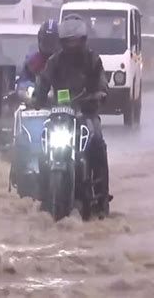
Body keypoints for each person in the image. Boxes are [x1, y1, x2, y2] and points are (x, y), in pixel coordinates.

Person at [34, 14, 112, 217]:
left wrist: (100, 93)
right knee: (42, 146)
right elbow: (43, 81)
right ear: (62, 42)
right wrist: (37, 97)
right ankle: (42, 194)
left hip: (86, 113)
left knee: (97, 142)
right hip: (61, 115)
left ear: (83, 40)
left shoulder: (92, 59)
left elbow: (102, 81)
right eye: (69, 41)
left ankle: (101, 198)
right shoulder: (55, 61)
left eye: (76, 40)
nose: (73, 44)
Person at [18, 19, 60, 83]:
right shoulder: (32, 62)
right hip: (38, 92)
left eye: (52, 41)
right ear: (40, 39)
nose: (49, 45)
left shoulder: (64, 61)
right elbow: (24, 82)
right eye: (46, 41)